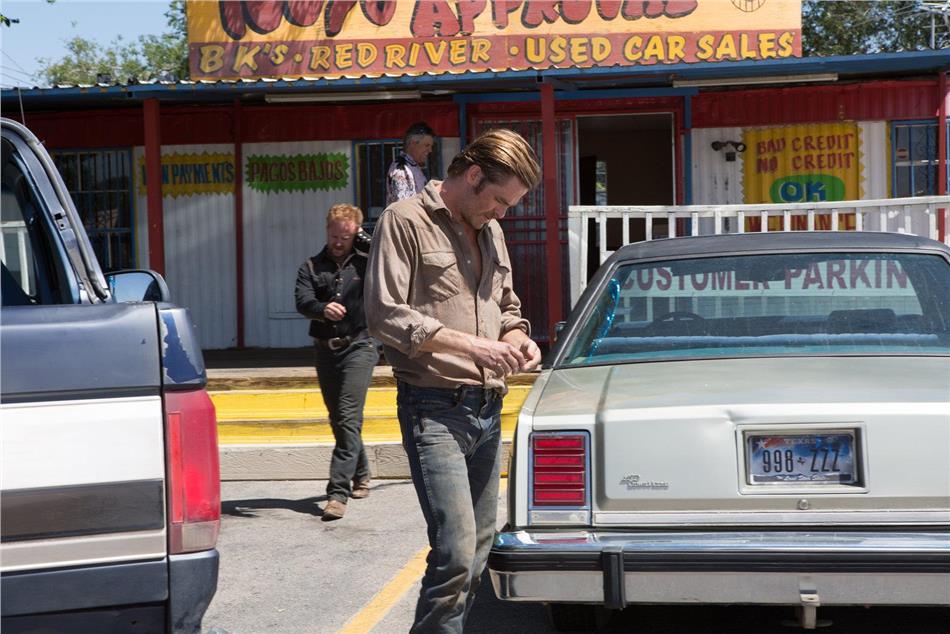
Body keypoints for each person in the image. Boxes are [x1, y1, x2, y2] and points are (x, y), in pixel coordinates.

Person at [365, 128, 542, 632]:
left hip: (488, 409)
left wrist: (517, 336)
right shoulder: (405, 221)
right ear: (473, 175)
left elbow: (506, 305)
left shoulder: (492, 231)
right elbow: (384, 314)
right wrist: (474, 347)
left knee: (479, 551)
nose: (501, 213)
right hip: (434, 408)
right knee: (455, 553)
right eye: (499, 200)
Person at [295, 203, 379, 522]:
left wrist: (368, 241)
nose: (339, 242)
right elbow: (302, 301)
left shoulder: (368, 262)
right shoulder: (312, 266)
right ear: (327, 230)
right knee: (340, 419)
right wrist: (321, 309)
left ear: (355, 233)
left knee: (346, 415)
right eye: (334, 235)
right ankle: (362, 473)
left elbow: (392, 261)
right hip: (325, 350)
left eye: (346, 236)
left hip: (360, 345)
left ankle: (337, 493)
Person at [386, 121, 435, 205]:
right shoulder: (402, 170)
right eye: (427, 145)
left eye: (431, 146)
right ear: (413, 143)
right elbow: (403, 207)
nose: (430, 150)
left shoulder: (411, 166)